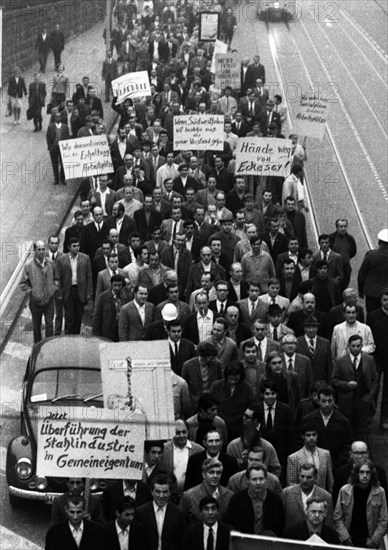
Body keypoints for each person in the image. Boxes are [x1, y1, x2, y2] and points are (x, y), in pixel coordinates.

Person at [331, 334, 378, 440]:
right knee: (346, 430)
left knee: (361, 430)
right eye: (353, 346)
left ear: (362, 346)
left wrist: (370, 396)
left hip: (363, 401)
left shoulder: (369, 359)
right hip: (346, 401)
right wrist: (346, 385)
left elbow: (375, 379)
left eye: (358, 346)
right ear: (348, 346)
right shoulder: (341, 361)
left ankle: (360, 452)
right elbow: (333, 380)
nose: (356, 348)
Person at [334, 459, 388, 548]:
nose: (365, 475)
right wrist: (345, 537)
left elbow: (384, 519)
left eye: (368, 472)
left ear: (372, 474)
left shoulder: (380, 492)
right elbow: (337, 517)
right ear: (356, 473)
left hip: (370, 540)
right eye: (361, 472)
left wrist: (374, 539)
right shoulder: (345, 491)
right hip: (349, 539)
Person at [224, 464, 285, 536]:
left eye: (261, 479)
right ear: (247, 480)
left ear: (266, 480)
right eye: (254, 479)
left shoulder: (276, 500)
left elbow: (281, 526)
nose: (258, 483)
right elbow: (231, 525)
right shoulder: (236, 500)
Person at [258, 377, 297, 484]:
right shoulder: (256, 409)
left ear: (277, 394)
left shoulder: (285, 409)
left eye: (273, 393)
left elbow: (291, 435)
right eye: (267, 394)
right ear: (262, 395)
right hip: (261, 453)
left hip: (281, 454)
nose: (270, 396)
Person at [304, 385, 352, 470]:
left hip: (336, 467)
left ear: (334, 401)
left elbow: (346, 446)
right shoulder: (309, 419)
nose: (327, 404)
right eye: (323, 401)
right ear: (318, 401)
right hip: (312, 466)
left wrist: (336, 465)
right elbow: (302, 442)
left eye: (330, 401)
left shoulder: (343, 422)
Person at [135, 475, 186, 550]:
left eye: (165, 492)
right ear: (151, 492)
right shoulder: (141, 512)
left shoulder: (178, 513)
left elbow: (183, 541)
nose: (161, 496)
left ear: (170, 492)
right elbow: (137, 541)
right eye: (158, 492)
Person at [19, 240, 56, 343]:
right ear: (35, 250)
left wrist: (53, 289)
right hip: (35, 302)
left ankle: (49, 345)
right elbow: (23, 283)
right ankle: (38, 347)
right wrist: (32, 292)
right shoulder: (28, 265)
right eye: (39, 249)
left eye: (43, 249)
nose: (41, 251)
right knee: (37, 326)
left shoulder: (51, 263)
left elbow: (57, 278)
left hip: (49, 301)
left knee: (49, 325)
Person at [54, 237, 93, 334]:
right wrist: (58, 293)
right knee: (69, 317)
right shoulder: (61, 260)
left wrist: (89, 293)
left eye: (78, 246)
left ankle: (76, 337)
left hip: (80, 291)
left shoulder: (85, 258)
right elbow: (57, 278)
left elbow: (89, 277)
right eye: (74, 246)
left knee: (78, 316)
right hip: (68, 291)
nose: (76, 248)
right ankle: (68, 337)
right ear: (69, 247)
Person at [209, 361, 255, 441]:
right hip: (218, 429)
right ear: (226, 376)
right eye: (231, 379)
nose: (233, 382)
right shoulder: (216, 386)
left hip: (238, 431)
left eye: (236, 379)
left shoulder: (247, 389)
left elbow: (251, 408)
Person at [180, 458, 233, 526]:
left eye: (218, 473)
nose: (215, 476)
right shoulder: (188, 496)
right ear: (203, 474)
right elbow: (181, 524)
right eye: (211, 472)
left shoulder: (230, 496)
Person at [286, 423, 334, 492]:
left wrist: (330, 498)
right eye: (308, 435)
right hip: (303, 498)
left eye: (314, 435)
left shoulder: (326, 454)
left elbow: (330, 481)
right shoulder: (293, 458)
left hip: (322, 497)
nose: (311, 438)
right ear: (303, 436)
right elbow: (292, 485)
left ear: (317, 436)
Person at [161, 420, 204, 494]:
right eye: (177, 433)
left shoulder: (199, 450)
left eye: (184, 432)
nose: (181, 435)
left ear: (188, 432)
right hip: (169, 495)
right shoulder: (164, 449)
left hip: (191, 494)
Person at [367, 288, 388, 430]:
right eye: (385, 299)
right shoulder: (373, 316)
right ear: (381, 301)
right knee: (374, 387)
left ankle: (385, 417)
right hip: (377, 359)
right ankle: (370, 415)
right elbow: (369, 338)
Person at [93, 274, 131, 341]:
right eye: (115, 285)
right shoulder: (103, 297)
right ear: (111, 284)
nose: (117, 288)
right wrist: (96, 335)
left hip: (121, 332)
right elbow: (97, 317)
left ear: (122, 286)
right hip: (107, 332)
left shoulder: (127, 297)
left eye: (119, 286)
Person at [358, 228, 388, 314]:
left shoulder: (371, 255)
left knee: (372, 315)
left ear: (379, 242)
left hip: (372, 293)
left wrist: (361, 290)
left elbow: (362, 274)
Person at [296, 316, 332, 383]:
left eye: (314, 327)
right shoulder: (297, 342)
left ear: (317, 328)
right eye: (308, 327)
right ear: (304, 328)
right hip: (302, 382)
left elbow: (329, 366)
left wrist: (329, 383)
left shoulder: (325, 343)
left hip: (321, 382)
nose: (311, 330)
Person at [281, 333, 313, 399]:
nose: (290, 346)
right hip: (282, 398)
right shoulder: (278, 359)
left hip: (301, 398)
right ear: (283, 346)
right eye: (287, 343)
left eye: (292, 343)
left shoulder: (305, 361)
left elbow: (309, 382)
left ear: (296, 346)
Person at [329, 219, 357, 292]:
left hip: (345, 268)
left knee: (343, 288)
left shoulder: (350, 238)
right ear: (337, 227)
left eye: (345, 226)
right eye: (341, 227)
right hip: (333, 269)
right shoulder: (331, 238)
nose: (343, 229)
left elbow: (353, 252)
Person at [46, 111, 70, 185]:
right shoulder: (51, 126)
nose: (58, 118)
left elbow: (68, 137)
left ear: (61, 118)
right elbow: (48, 137)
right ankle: (56, 179)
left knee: (63, 163)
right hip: (54, 147)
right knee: (54, 164)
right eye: (56, 117)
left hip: (63, 147)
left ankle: (62, 178)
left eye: (59, 117)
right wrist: (50, 146)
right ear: (54, 118)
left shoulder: (65, 127)